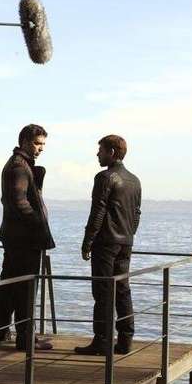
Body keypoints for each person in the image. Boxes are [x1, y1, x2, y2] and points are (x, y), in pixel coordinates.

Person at [75, 135, 142, 355]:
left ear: (112, 152)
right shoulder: (135, 180)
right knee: (122, 290)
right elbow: (136, 214)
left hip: (106, 243)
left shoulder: (105, 177)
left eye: (101, 150)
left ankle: (102, 341)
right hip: (125, 242)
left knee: (103, 291)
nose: (97, 154)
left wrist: (88, 241)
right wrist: (129, 233)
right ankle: (125, 340)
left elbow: (98, 211)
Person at [0, 124, 55, 351]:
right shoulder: (19, 166)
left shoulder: (18, 164)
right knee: (25, 289)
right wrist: (37, 223)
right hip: (24, 239)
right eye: (37, 143)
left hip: (16, 237)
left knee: (9, 286)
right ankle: (25, 338)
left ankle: (2, 333)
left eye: (43, 144)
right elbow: (20, 202)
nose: (41, 148)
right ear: (25, 142)